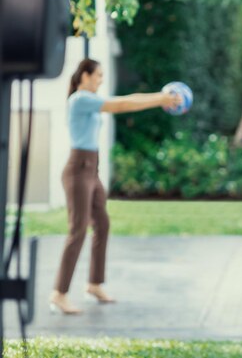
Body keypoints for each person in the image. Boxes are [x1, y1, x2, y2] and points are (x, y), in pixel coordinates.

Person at [49, 58, 181, 315]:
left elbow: (127, 99)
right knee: (78, 230)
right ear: (84, 76)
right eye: (98, 75)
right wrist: (161, 98)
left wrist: (160, 98)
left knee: (103, 224)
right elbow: (123, 103)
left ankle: (94, 284)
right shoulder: (80, 99)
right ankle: (59, 293)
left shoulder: (90, 100)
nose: (100, 80)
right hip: (78, 170)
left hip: (92, 169)